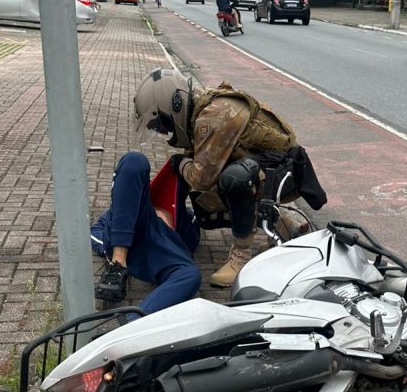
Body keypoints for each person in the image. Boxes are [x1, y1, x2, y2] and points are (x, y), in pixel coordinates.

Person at [132, 67, 326, 287]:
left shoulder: (213, 116)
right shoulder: (203, 111)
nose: (164, 132)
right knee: (214, 189)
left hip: (289, 174)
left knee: (233, 179)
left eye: (163, 125)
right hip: (275, 168)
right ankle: (284, 226)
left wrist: (180, 163)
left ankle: (241, 258)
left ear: (176, 104)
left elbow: (201, 178)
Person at [91, 152, 202, 315]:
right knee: (135, 159)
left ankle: (135, 320)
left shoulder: (189, 219)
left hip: (162, 244)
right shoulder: (120, 213)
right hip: (134, 232)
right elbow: (95, 233)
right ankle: (118, 263)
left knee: (191, 275)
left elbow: (94, 233)